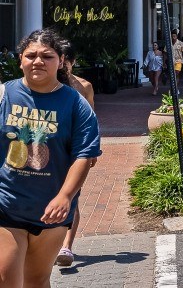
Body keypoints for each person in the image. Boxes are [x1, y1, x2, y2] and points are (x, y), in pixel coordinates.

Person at [0, 29, 101, 285]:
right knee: (6, 277)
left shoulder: (75, 103)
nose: (38, 61)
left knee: (36, 279)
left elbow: (84, 154)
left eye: (47, 56)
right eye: (30, 55)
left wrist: (65, 196)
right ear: (20, 59)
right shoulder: (4, 95)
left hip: (51, 210)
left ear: (60, 60)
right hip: (7, 203)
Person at [53, 42, 97, 268]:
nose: (61, 66)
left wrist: (92, 149)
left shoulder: (84, 86)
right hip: (50, 149)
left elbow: (92, 120)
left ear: (71, 62)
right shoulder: (46, 85)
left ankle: (66, 246)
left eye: (65, 62)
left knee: (72, 196)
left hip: (75, 150)